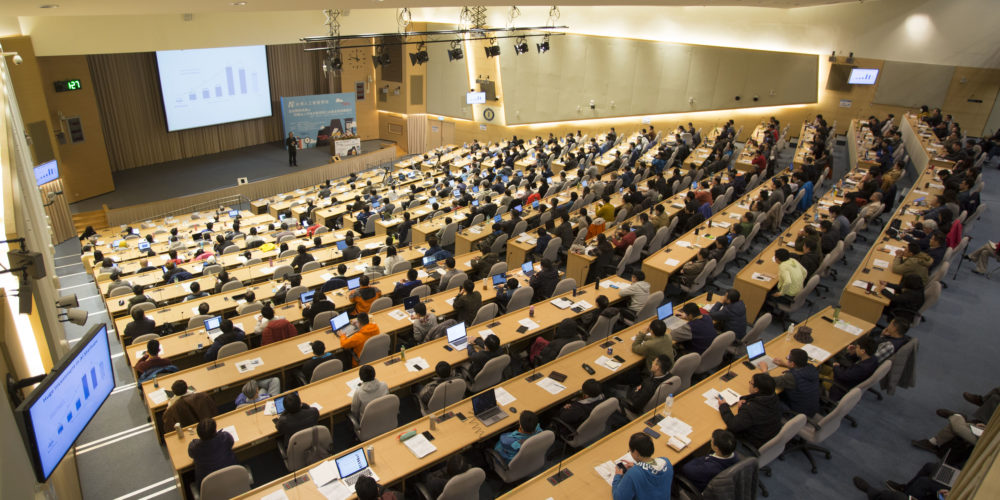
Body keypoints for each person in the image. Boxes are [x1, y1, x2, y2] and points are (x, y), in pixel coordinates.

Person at [718, 373, 782, 449]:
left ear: (756, 389)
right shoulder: (772, 396)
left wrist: (723, 406)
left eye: (751, 382)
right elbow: (755, 397)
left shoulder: (751, 409)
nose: (749, 384)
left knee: (723, 431)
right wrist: (744, 399)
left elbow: (733, 425)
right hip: (770, 432)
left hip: (756, 440)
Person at [612, 432, 674, 500]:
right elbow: (652, 468)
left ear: (636, 453)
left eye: (630, 451)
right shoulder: (666, 462)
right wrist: (637, 466)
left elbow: (619, 498)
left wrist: (617, 476)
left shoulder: (633, 474)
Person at [765, 348, 820, 417]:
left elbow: (768, 381)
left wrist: (765, 369)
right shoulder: (812, 368)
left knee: (768, 398)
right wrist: (785, 364)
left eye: (788, 358)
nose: (787, 359)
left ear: (793, 363)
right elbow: (800, 371)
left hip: (799, 413)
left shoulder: (791, 377)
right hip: (812, 408)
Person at [187, 418, 238, 486]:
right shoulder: (225, 438)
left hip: (208, 488)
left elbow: (191, 453)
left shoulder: (195, 448)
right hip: (233, 479)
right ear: (215, 430)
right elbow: (231, 442)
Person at [830, 336, 879, 400]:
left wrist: (836, 366)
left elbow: (842, 376)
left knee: (825, 364)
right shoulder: (873, 359)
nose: (855, 348)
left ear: (863, 351)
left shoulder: (862, 369)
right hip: (849, 377)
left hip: (838, 386)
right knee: (836, 357)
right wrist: (854, 353)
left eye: (857, 347)